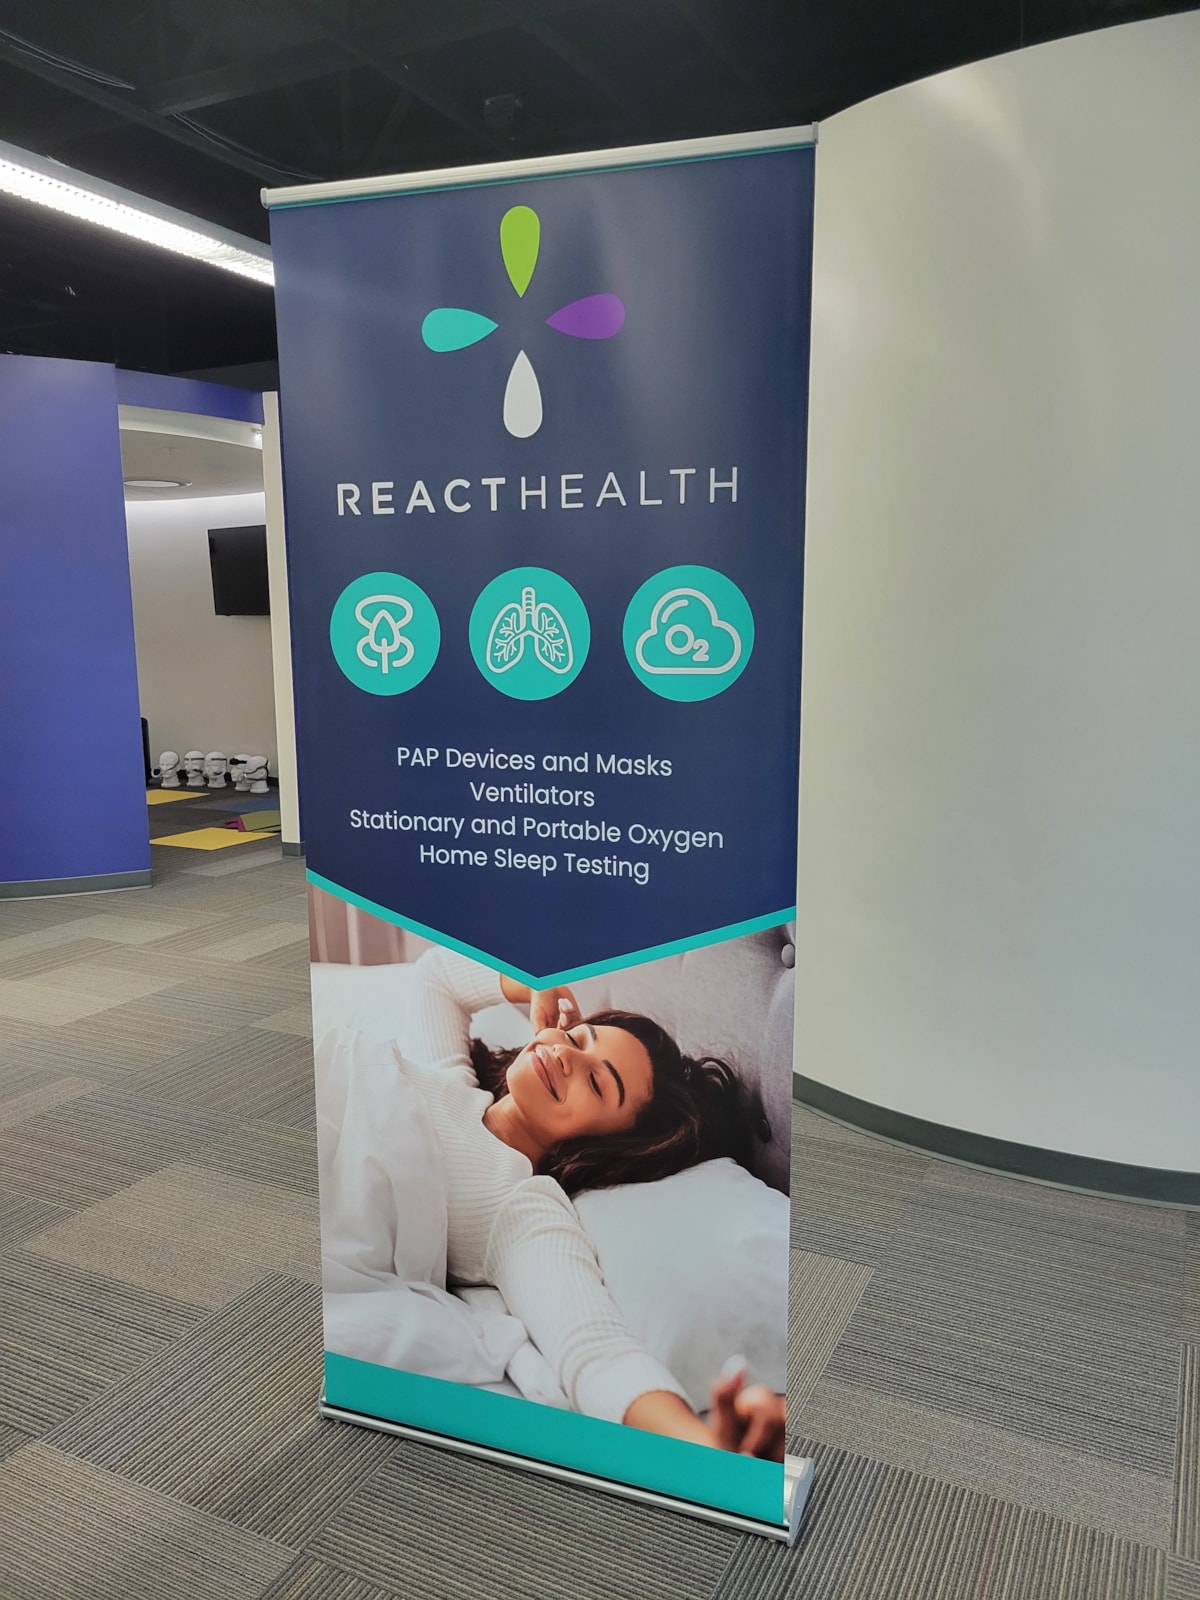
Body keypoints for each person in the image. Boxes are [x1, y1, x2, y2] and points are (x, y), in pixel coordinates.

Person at [316, 946, 786, 1460]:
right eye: (580, 1038)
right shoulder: (448, 1076)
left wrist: (704, 1445)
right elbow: (437, 976)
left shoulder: (520, 1210)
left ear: (610, 1144)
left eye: (596, 1082)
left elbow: (595, 1349)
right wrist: (535, 983)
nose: (566, 1055)